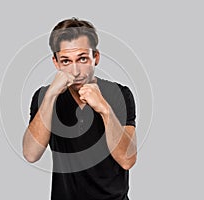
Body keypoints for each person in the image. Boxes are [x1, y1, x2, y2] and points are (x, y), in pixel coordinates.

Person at [23, 17, 137, 200]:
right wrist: (51, 95)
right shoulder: (44, 97)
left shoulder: (119, 94)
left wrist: (104, 109)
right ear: (56, 62)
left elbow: (127, 160)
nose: (75, 71)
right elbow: (30, 154)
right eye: (66, 61)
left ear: (96, 57)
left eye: (82, 58)